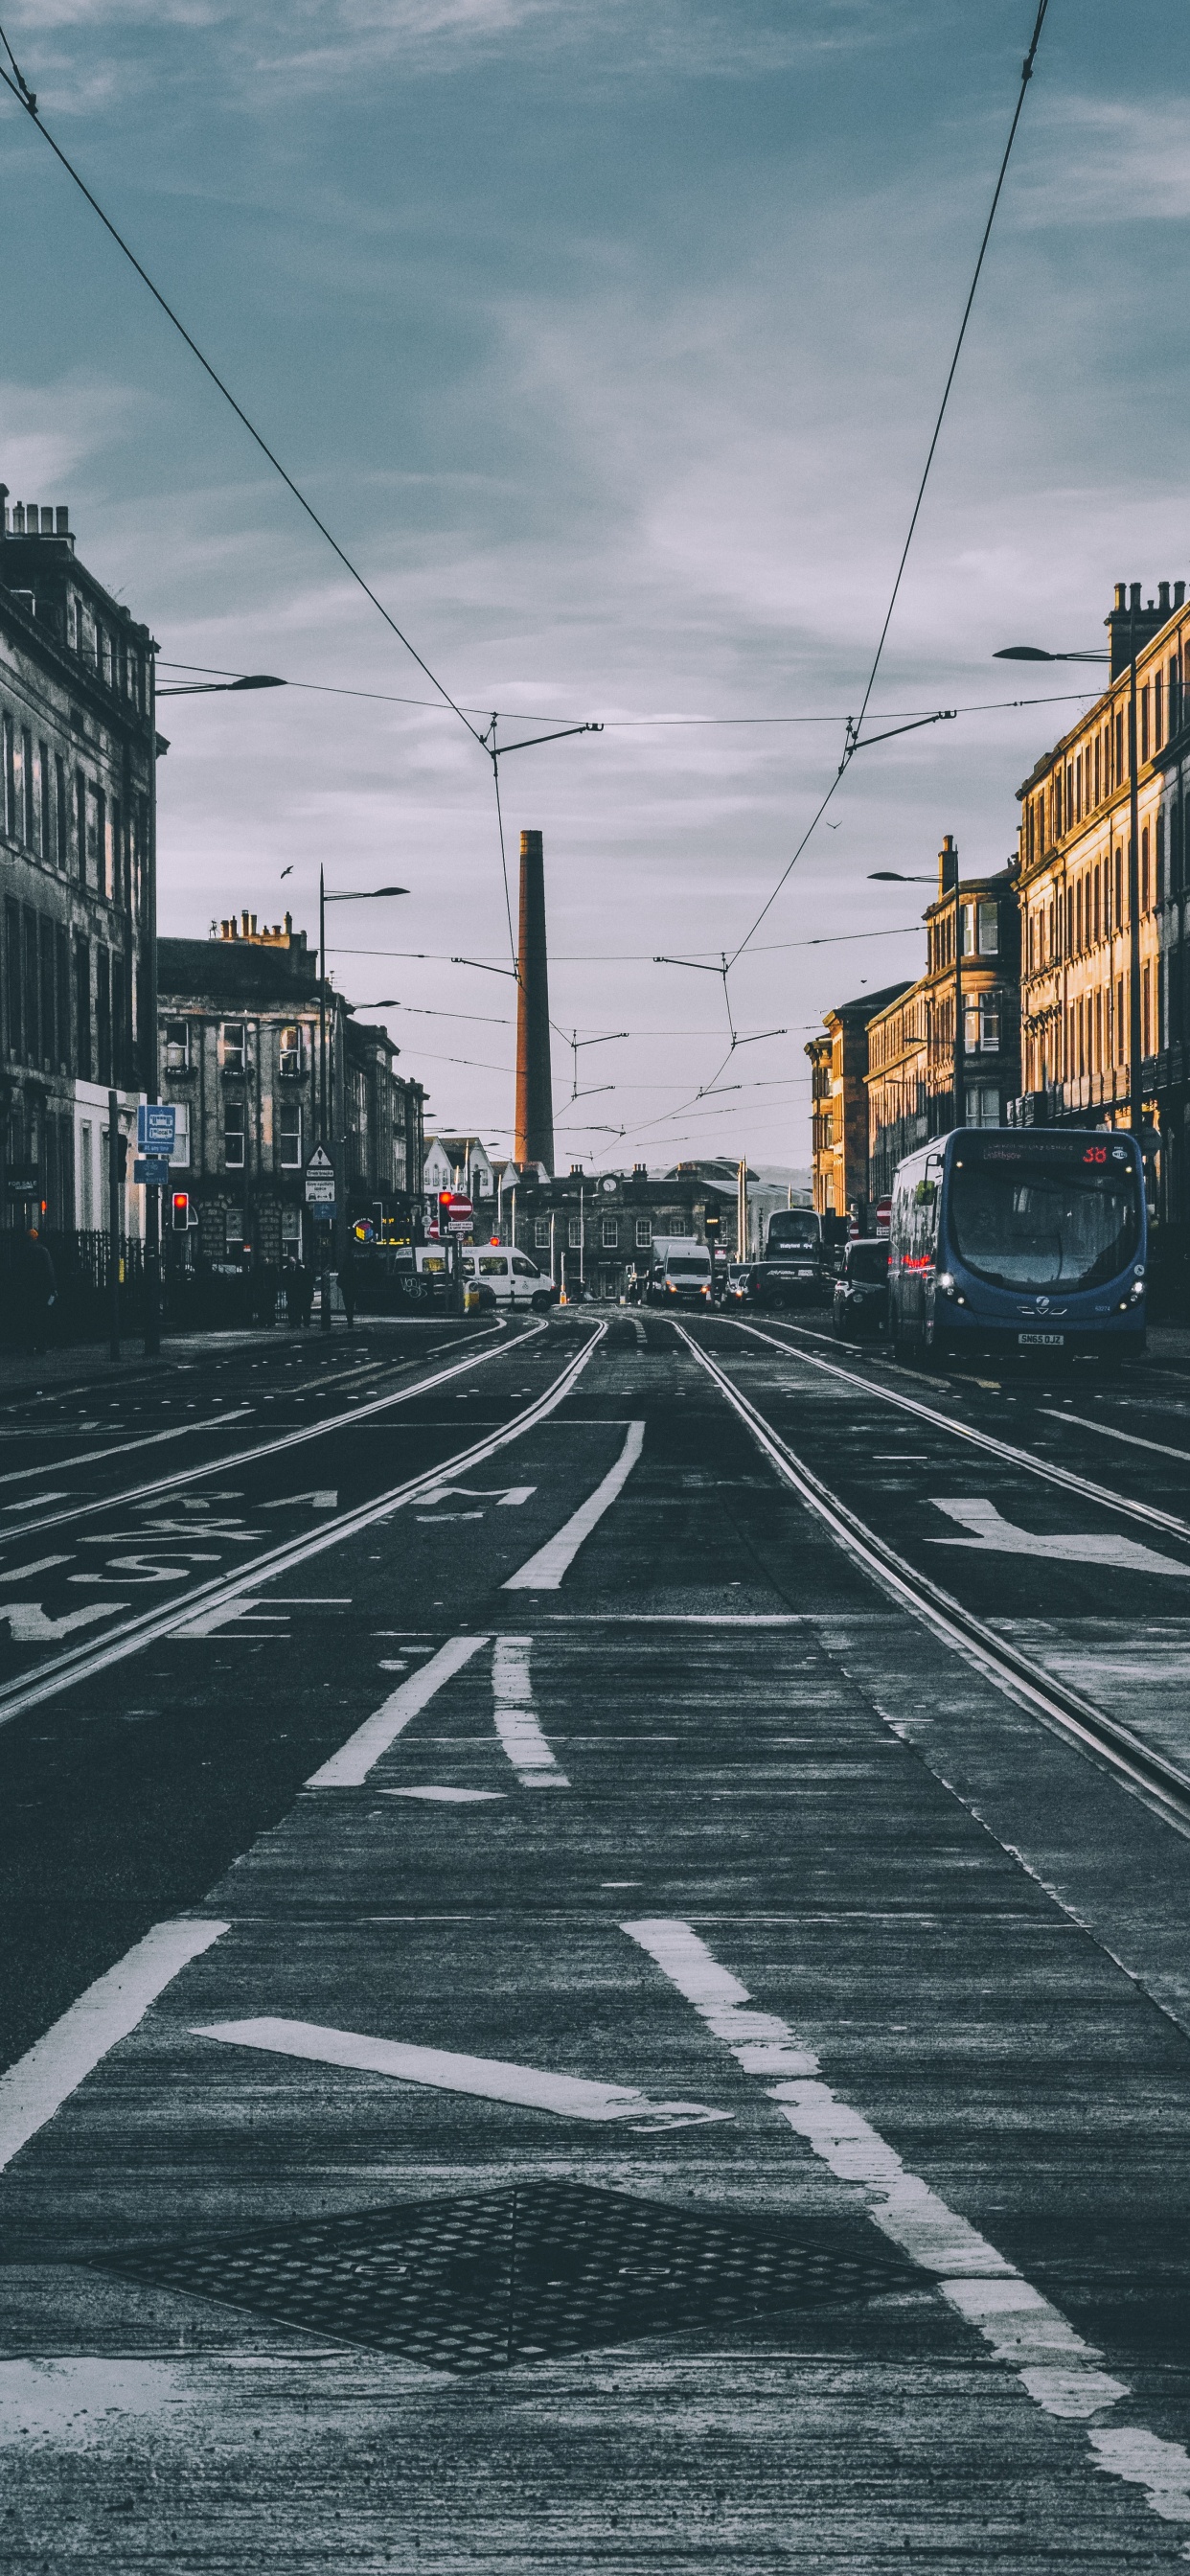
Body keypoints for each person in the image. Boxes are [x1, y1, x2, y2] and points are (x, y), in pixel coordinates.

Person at [14, 1226, 57, 1355]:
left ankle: (29, 1346)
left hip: (27, 1289)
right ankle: (41, 1346)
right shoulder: (43, 1250)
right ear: (36, 1237)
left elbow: (18, 1271)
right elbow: (49, 1271)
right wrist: (53, 1288)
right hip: (41, 1289)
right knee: (41, 1318)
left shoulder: (22, 1251)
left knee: (28, 1317)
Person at [340, 1241, 357, 1330]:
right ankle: (350, 1320)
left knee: (348, 1306)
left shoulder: (344, 1271)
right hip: (352, 1290)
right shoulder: (354, 1271)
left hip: (346, 1291)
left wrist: (343, 1287)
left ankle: (349, 1320)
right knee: (351, 1306)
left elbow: (339, 1281)